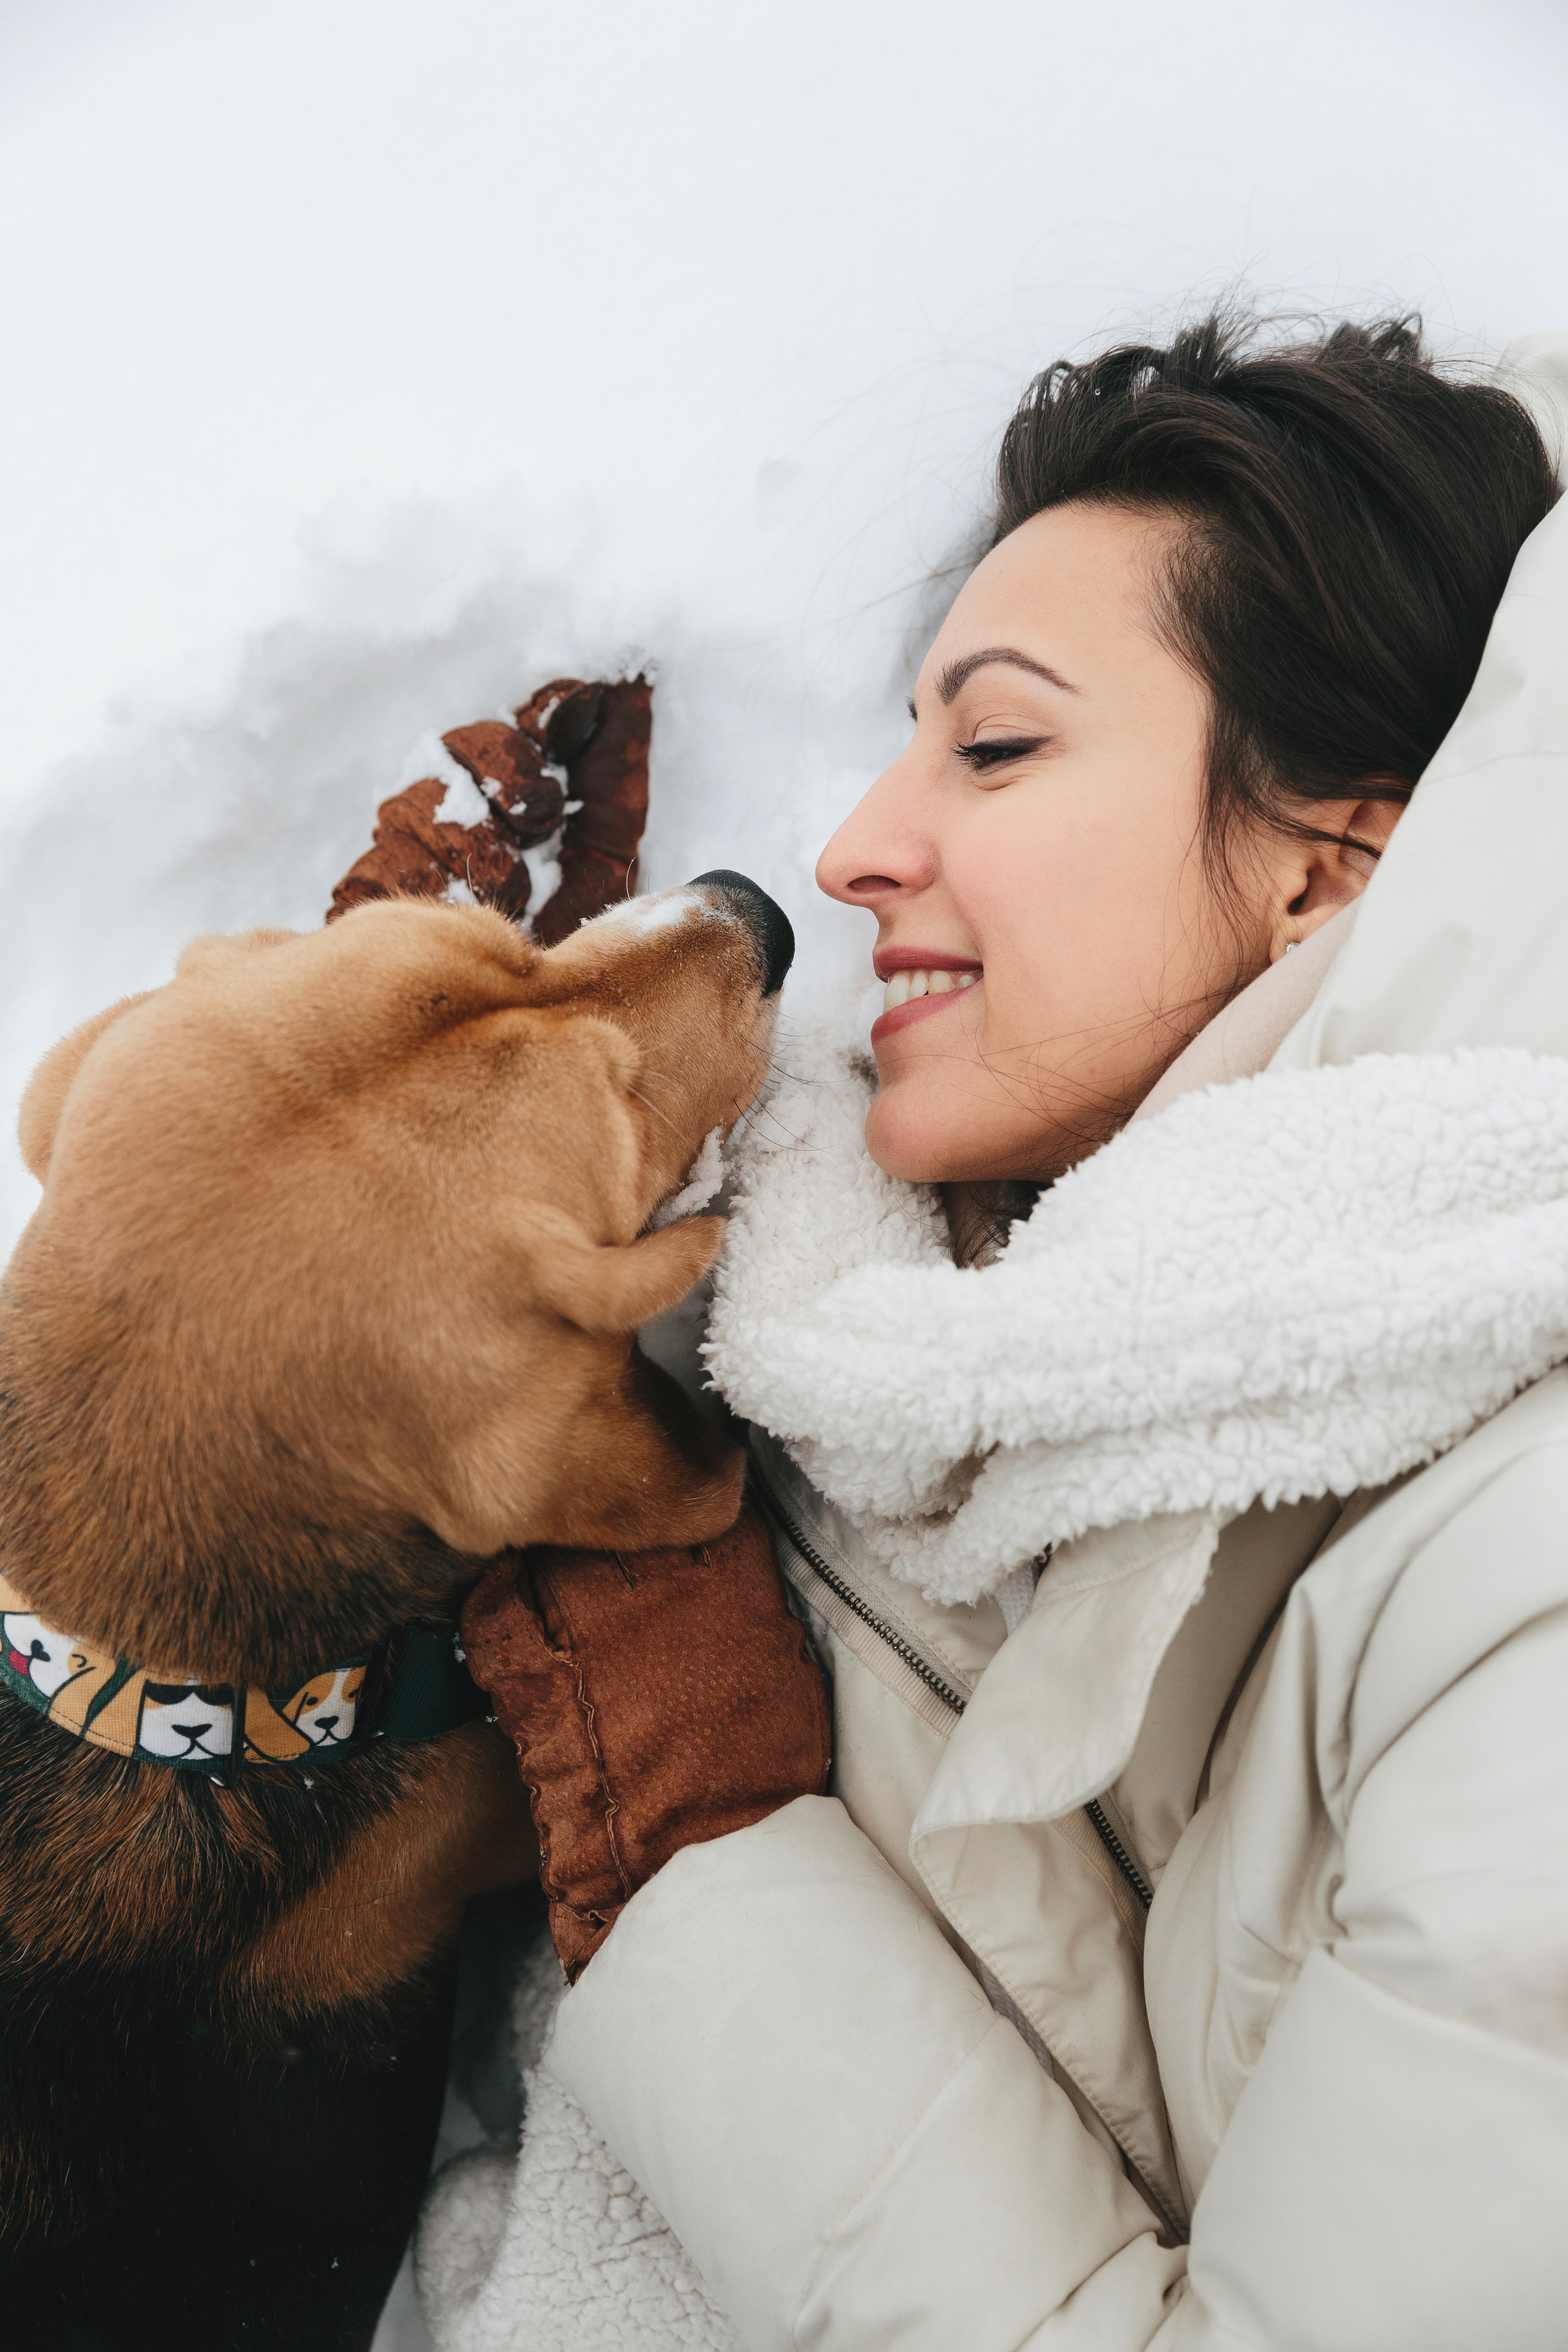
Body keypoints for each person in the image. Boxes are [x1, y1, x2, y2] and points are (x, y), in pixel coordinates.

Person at [430, 312, 1568, 2348]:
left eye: (1000, 744)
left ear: (1332, 874)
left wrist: (699, 1846)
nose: (852, 849)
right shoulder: (858, 1352)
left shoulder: (1523, 1594)